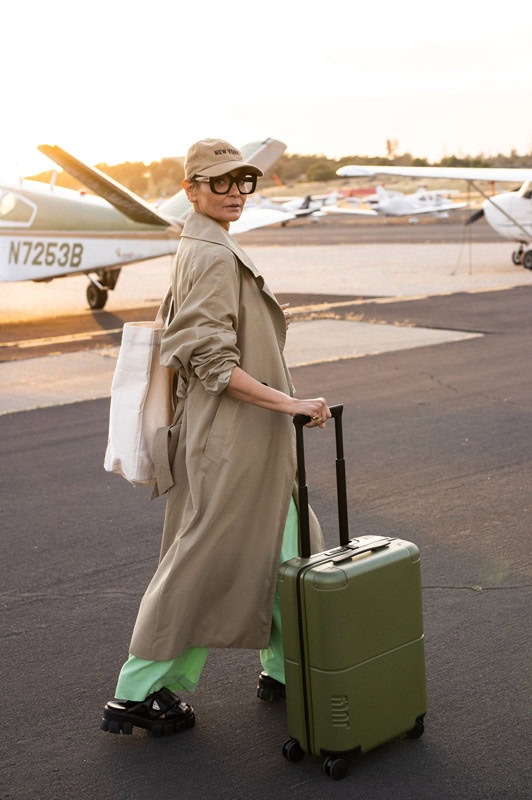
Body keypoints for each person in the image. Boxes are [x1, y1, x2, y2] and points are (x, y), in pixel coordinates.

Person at [101, 138, 330, 736]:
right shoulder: (208, 254)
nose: (234, 193)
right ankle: (137, 691)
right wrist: (292, 403)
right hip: (231, 440)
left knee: (291, 547)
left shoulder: (210, 243)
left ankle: (287, 668)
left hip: (251, 440)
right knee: (201, 561)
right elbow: (212, 362)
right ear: (191, 189)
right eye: (219, 182)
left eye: (242, 182)